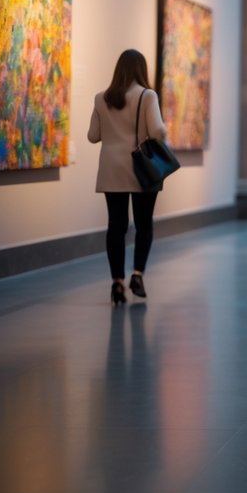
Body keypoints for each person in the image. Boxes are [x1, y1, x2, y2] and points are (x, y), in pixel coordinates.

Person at [88, 49, 168, 306]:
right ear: (141, 69)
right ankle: (137, 275)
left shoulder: (102, 98)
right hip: (140, 168)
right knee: (144, 225)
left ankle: (117, 283)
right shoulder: (147, 95)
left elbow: (92, 135)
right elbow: (157, 130)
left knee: (116, 226)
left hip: (111, 168)